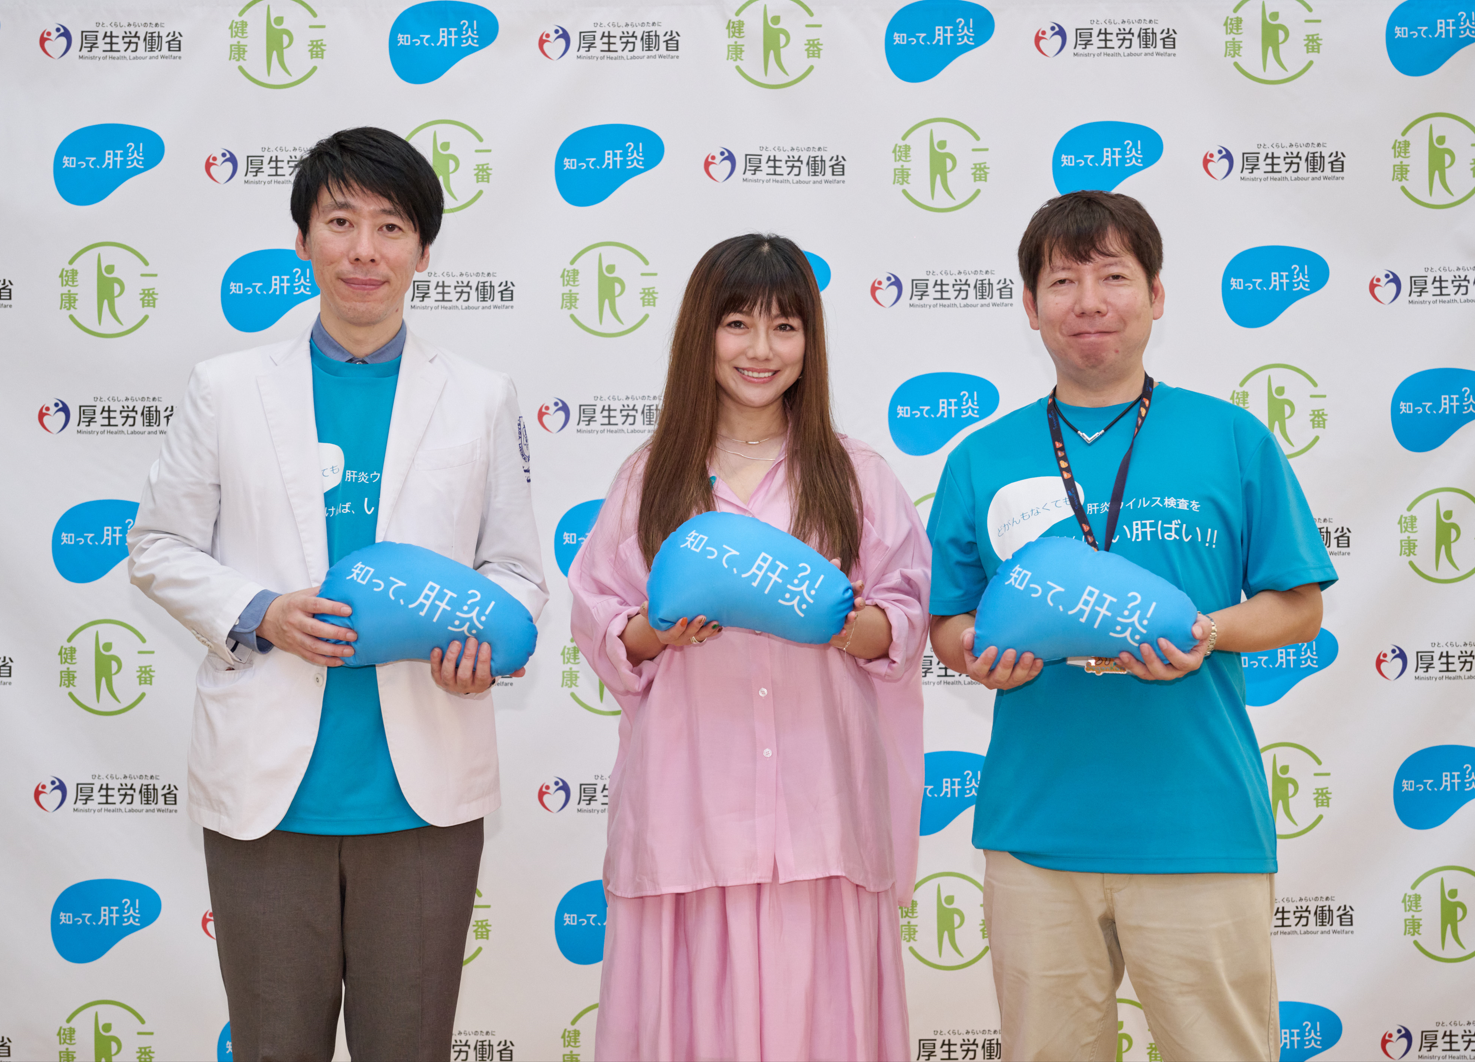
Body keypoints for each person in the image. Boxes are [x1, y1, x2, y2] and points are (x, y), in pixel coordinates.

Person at [128, 126, 546, 1060]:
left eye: (391, 227)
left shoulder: (480, 396)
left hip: (423, 795)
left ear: (423, 253)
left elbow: (516, 567)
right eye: (341, 222)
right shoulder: (227, 387)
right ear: (303, 241)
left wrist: (482, 646)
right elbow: (157, 546)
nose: (365, 250)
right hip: (269, 796)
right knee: (274, 1045)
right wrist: (260, 613)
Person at [926, 190, 1335, 1061]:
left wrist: (1208, 634)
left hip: (1200, 825)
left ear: (1155, 295)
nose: (1089, 302)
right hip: (1036, 832)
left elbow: (1300, 605)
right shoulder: (982, 456)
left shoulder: (1231, 438)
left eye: (1113, 276)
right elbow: (949, 617)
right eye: (1062, 281)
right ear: (1030, 305)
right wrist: (972, 654)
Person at [569, 234, 930, 1060]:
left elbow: (906, 614)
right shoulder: (650, 476)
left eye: (784, 326)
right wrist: (658, 630)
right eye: (737, 324)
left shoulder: (856, 474)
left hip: (822, 819)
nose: (761, 349)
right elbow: (603, 620)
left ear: (811, 341)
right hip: (687, 813)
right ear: (701, 333)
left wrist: (845, 623)